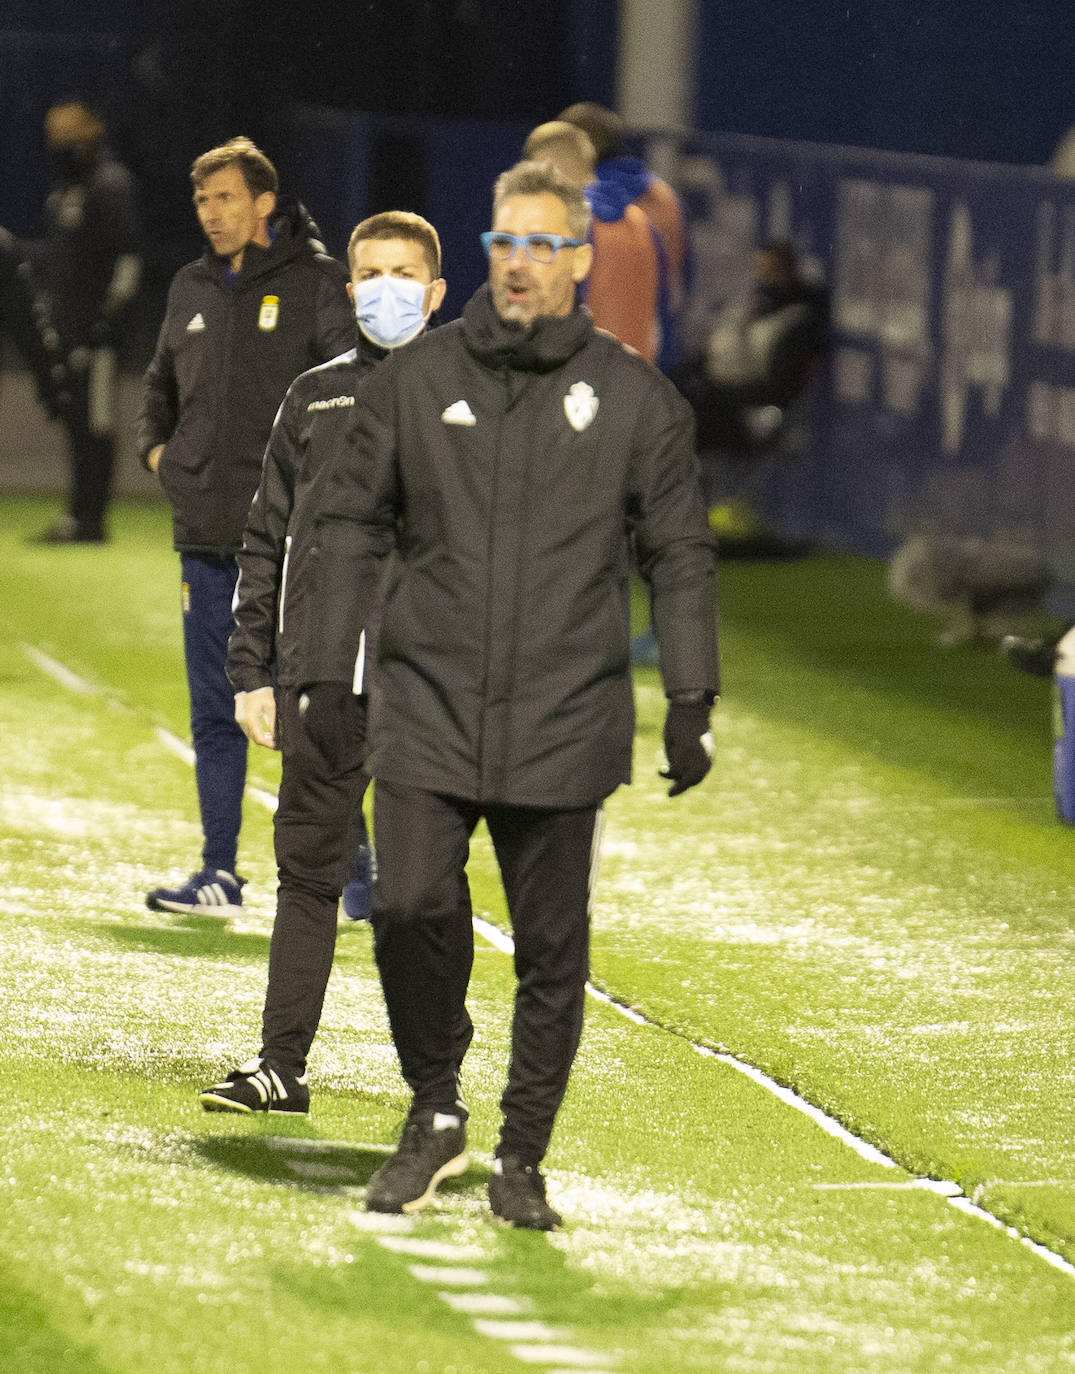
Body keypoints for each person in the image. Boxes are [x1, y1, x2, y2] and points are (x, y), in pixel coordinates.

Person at [299, 160, 719, 1228]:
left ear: (580, 259)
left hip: (564, 711)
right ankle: (434, 1106)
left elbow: (677, 553)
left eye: (542, 245)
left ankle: (521, 1156)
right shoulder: (414, 380)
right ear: (486, 253)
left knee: (551, 951)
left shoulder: (634, 401)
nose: (520, 263)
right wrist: (321, 665)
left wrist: (689, 694)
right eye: (504, 244)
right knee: (405, 905)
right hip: (428, 699)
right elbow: (347, 517)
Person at [198, 212, 451, 1115]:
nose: (386, 288)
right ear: (349, 293)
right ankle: (280, 1066)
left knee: (424, 894)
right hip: (323, 686)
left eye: (403, 273)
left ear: (435, 291)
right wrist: (253, 671)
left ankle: (439, 1087)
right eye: (370, 273)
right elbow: (262, 541)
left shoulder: (477, 400)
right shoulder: (312, 399)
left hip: (435, 693)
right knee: (308, 875)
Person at [138, 137, 355, 918]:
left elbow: (347, 393)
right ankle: (219, 872)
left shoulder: (320, 284)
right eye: (202, 201)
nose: (211, 213)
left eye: (225, 198)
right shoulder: (190, 285)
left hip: (294, 542)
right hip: (204, 533)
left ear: (264, 202)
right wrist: (164, 458)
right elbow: (158, 388)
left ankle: (356, 871)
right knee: (213, 710)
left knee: (311, 707)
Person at [35, 99, 141, 544]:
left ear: (93, 128)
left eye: (69, 133)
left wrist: (106, 321)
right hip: (67, 332)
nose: (61, 144)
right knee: (77, 422)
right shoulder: (62, 194)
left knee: (96, 424)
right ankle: (78, 514)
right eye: (54, 136)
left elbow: (128, 259)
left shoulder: (110, 184)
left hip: (98, 337)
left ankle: (92, 519)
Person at [558, 101, 690, 373]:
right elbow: (681, 286)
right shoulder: (666, 198)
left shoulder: (575, 209)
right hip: (652, 368)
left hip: (583, 373)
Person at [523, 121, 663, 365]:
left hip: (578, 384)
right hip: (637, 381)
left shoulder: (564, 226)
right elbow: (664, 316)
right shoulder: (642, 224)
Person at [678, 240, 829, 458]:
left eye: (771, 271)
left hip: (751, 415)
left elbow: (778, 388)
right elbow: (714, 351)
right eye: (759, 270)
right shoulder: (753, 307)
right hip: (723, 397)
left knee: (695, 411)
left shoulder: (797, 321)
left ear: (788, 273)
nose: (763, 278)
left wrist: (715, 390)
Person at [0, 225, 68, 421]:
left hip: (13, 284)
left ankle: (53, 398)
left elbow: (15, 257)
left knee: (33, 345)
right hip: (13, 275)